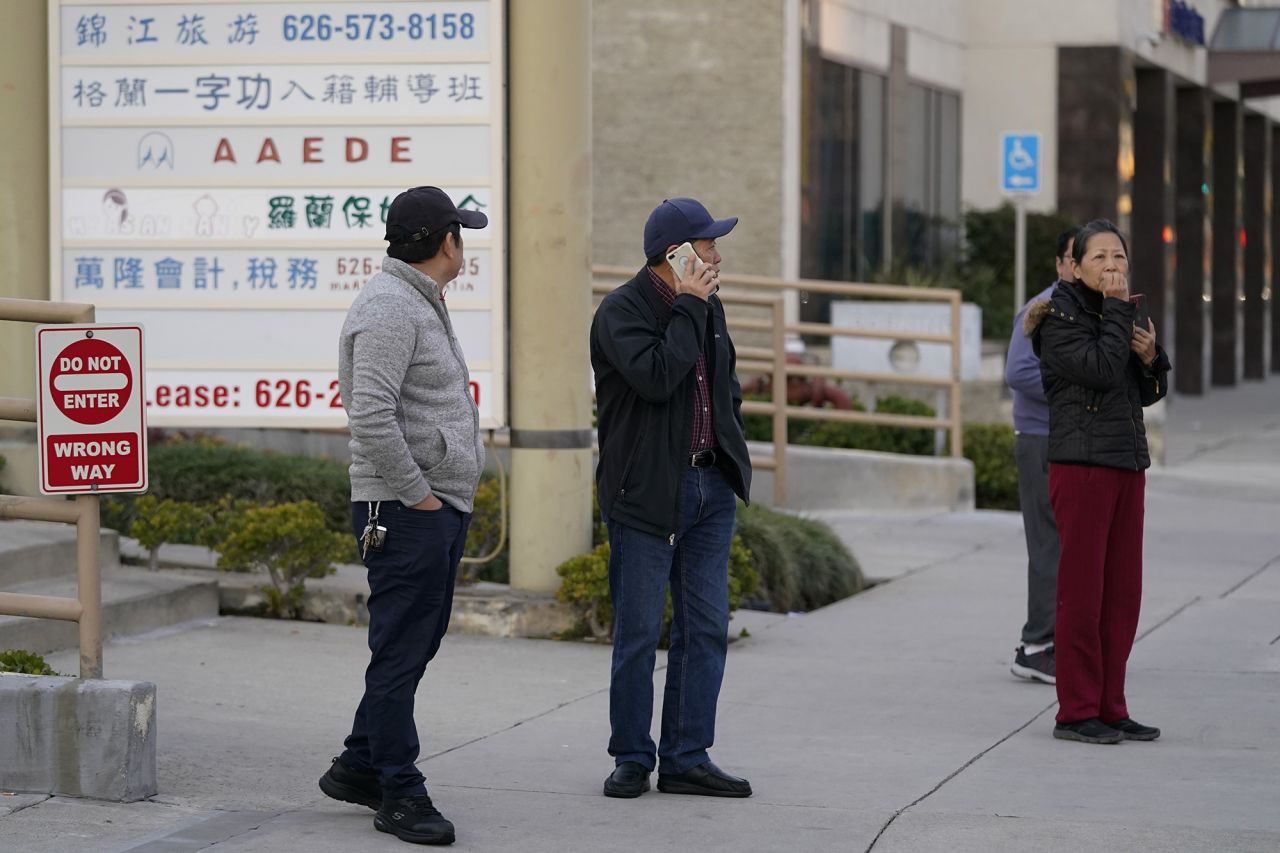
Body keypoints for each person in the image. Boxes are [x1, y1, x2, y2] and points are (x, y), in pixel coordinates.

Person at [319, 186, 488, 845]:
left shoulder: (417, 300)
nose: (464, 242)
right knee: (399, 650)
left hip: (431, 506)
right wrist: (419, 494)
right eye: (461, 232)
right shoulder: (390, 307)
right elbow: (369, 415)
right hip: (406, 509)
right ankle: (398, 788)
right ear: (445, 240)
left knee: (414, 642)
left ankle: (361, 762)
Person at [590, 197, 754, 799]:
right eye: (708, 245)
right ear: (675, 255)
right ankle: (632, 756)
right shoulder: (622, 312)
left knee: (706, 628)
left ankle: (687, 755)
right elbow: (660, 375)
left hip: (710, 486)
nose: (717, 254)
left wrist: (732, 456)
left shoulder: (707, 308)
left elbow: (723, 386)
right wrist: (689, 303)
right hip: (646, 494)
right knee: (638, 634)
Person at [1025, 219, 1170, 745]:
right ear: (1075, 266)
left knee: (1122, 595)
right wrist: (1116, 314)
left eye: (1118, 257)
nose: (1112, 267)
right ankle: (1076, 711)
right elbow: (1104, 370)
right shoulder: (1055, 318)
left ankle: (1111, 706)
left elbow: (1144, 390)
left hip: (1127, 463)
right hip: (1082, 467)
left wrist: (1153, 358)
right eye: (1100, 258)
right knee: (1082, 595)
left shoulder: (1121, 311)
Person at [1006, 228, 1077, 684]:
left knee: (1070, 547)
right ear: (1060, 264)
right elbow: (1017, 371)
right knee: (1047, 544)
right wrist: (1074, 392)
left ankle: (1058, 642)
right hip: (1040, 438)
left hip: (1074, 440)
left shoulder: (1093, 311)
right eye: (1077, 258)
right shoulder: (1043, 307)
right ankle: (1035, 645)